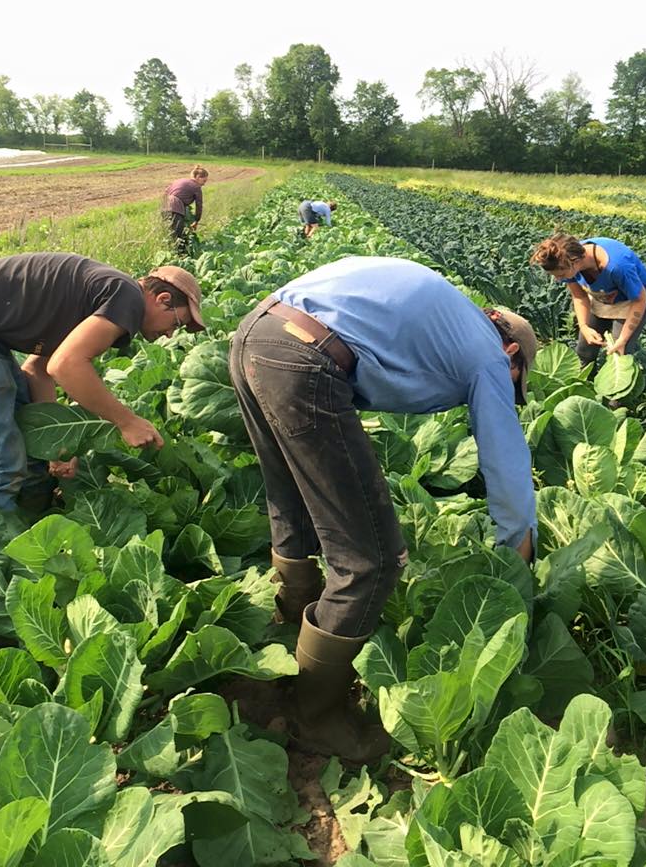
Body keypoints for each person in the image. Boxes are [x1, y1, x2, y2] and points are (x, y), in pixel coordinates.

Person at [229, 255, 538, 764]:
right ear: (511, 351)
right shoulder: (487, 355)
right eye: (516, 378)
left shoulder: (451, 317)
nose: (508, 386)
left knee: (290, 503)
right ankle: (318, 716)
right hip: (306, 358)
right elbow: (505, 464)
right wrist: (517, 560)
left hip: (254, 334)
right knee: (371, 561)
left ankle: (291, 640)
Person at [0, 254, 205, 518]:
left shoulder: (104, 294)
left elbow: (37, 371)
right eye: (176, 323)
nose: (171, 334)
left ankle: (23, 531)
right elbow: (66, 366)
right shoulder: (128, 297)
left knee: (28, 450)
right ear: (163, 300)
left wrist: (57, 448)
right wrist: (126, 421)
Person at [530, 234, 646, 364]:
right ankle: (584, 381)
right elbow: (579, 296)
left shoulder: (617, 267)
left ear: (576, 262)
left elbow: (639, 299)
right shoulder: (565, 258)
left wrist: (623, 339)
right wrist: (584, 327)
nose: (558, 279)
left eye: (561, 275)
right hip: (601, 295)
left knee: (619, 353)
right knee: (584, 351)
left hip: (633, 300)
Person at [162, 166, 209, 252]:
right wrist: (196, 220)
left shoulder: (180, 180)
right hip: (176, 207)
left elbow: (166, 191)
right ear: (198, 177)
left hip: (165, 205)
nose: (204, 184)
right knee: (178, 235)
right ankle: (181, 255)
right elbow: (199, 205)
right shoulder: (196, 186)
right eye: (204, 181)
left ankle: (169, 252)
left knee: (169, 233)